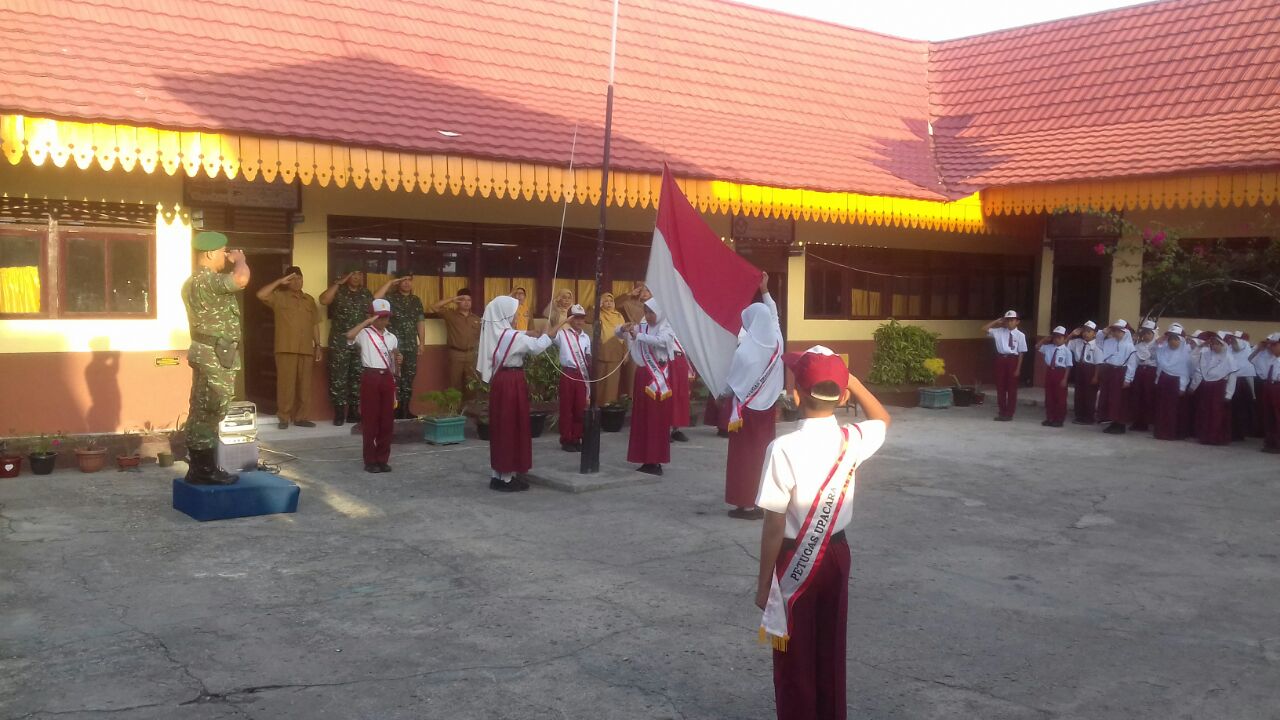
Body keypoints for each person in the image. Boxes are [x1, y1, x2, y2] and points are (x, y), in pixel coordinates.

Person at [754, 346, 890, 720]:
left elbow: (773, 524)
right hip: (837, 554)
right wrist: (853, 381)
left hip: (793, 557)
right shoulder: (853, 438)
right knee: (830, 646)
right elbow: (882, 418)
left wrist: (764, 585)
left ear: (795, 395)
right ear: (843, 396)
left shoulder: (782, 448)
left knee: (794, 656)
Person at [182, 231, 249, 485]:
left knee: (202, 408)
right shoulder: (207, 280)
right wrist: (241, 260)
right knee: (211, 409)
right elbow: (241, 279)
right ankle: (205, 470)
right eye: (223, 252)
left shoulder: (193, 282)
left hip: (208, 352)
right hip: (214, 355)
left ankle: (199, 467)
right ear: (210, 253)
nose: (226, 256)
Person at [477, 295, 557, 492]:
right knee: (511, 425)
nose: (516, 317)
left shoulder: (495, 333)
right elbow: (536, 347)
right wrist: (550, 334)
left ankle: (499, 474)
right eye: (513, 314)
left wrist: (530, 332)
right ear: (505, 315)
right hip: (512, 381)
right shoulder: (512, 337)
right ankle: (506, 477)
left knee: (501, 426)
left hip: (501, 381)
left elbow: (516, 336)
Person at [725, 273, 784, 519]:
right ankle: (761, 499)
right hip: (767, 409)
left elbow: (732, 384)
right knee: (763, 454)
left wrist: (721, 394)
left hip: (746, 412)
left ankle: (746, 503)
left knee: (745, 457)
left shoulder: (745, 351)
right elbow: (774, 317)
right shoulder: (777, 341)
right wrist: (765, 290)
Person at [256, 266, 322, 429]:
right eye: (292, 279)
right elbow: (260, 294)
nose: (297, 281)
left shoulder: (309, 300)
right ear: (287, 281)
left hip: (306, 348)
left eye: (299, 278)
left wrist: (318, 345)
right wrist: (279, 281)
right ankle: (284, 417)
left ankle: (301, 417)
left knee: (305, 386)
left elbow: (314, 324)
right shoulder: (279, 297)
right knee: (286, 385)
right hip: (286, 348)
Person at [617, 297, 675, 476]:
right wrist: (623, 329)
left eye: (652, 312)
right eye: (646, 312)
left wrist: (639, 336)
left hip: (657, 378)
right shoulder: (641, 326)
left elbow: (662, 341)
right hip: (643, 374)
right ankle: (644, 458)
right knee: (642, 417)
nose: (648, 316)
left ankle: (655, 459)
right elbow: (618, 334)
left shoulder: (666, 326)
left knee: (656, 419)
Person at [346, 299, 401, 473]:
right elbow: (349, 336)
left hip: (387, 377)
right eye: (379, 317)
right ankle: (370, 460)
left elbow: (394, 359)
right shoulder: (364, 333)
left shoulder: (392, 337)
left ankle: (382, 459)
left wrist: (399, 360)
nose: (383, 320)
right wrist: (367, 322)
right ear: (372, 316)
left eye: (386, 317)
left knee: (387, 420)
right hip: (371, 376)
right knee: (370, 420)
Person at [320, 270, 373, 425]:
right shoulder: (339, 290)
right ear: (347, 276)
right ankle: (339, 413)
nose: (357, 277)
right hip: (340, 341)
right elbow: (323, 300)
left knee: (357, 376)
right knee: (338, 377)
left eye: (359, 274)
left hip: (360, 342)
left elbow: (372, 311)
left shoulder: (365, 293)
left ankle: (353, 412)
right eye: (353, 274)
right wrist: (338, 283)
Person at [374, 274, 426, 418]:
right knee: (394, 376)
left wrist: (422, 342)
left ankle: (405, 409)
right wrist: (390, 282)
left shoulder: (416, 300)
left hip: (411, 345)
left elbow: (420, 321)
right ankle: (393, 409)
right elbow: (375, 298)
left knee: (409, 376)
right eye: (403, 280)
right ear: (398, 282)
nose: (406, 283)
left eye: (409, 280)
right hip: (394, 345)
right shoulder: (390, 299)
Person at [554, 304, 592, 452]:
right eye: (576, 318)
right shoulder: (563, 334)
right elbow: (549, 334)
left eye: (581, 318)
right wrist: (563, 322)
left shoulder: (585, 337)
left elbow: (588, 356)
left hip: (581, 374)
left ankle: (577, 437)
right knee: (566, 408)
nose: (579, 321)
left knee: (579, 408)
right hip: (568, 373)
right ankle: (566, 439)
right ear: (570, 319)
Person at [1189, 331, 1236, 446]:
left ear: (1223, 345)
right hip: (1208, 387)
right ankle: (1205, 436)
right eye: (1213, 344)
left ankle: (1217, 437)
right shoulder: (1207, 355)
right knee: (1205, 411)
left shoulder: (1229, 358)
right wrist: (1200, 346)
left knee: (1217, 413)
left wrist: (1229, 393)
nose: (1215, 346)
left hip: (1220, 388)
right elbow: (1193, 360)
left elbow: (1232, 377)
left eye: (1217, 344)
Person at [433, 289, 482, 399]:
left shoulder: (476, 319)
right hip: (456, 354)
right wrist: (452, 299)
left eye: (469, 300)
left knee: (472, 385)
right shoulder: (450, 315)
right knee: (454, 385)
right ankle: (455, 408)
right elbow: (434, 307)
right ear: (458, 301)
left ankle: (470, 408)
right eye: (463, 299)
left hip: (472, 355)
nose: (466, 302)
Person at [982, 310, 1027, 421]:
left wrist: (1018, 368)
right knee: (1000, 387)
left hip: (1013, 360)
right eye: (1007, 320)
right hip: (1001, 359)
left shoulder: (1020, 335)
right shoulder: (999, 331)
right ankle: (1002, 411)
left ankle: (1009, 413)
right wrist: (997, 321)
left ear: (1017, 321)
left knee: (1012, 388)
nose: (1009, 322)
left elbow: (1021, 353)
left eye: (1012, 320)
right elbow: (984, 329)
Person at [1096, 320, 1137, 434]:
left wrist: (1128, 379)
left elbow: (1132, 364)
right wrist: (1104, 331)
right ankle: (1112, 421)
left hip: (1120, 373)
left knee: (1119, 400)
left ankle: (1120, 424)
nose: (1116, 333)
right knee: (1108, 397)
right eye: (1114, 331)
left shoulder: (1129, 346)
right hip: (1109, 371)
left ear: (1125, 332)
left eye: (1119, 331)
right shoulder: (1109, 342)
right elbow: (1098, 342)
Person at [1152, 323, 1191, 441]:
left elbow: (1185, 372)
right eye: (1170, 339)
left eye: (1175, 339)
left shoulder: (1185, 354)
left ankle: (1172, 433)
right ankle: (1161, 432)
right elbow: (1153, 355)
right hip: (1164, 381)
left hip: (1176, 383)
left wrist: (1182, 387)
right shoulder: (1163, 350)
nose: (1172, 342)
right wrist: (1157, 342)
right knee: (1162, 408)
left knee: (1173, 410)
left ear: (1181, 341)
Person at [593, 292, 628, 406]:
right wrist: (597, 307)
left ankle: (609, 405)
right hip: (602, 352)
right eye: (606, 301)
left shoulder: (618, 316)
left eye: (611, 301)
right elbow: (588, 317)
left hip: (616, 352)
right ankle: (598, 405)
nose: (609, 303)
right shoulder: (598, 314)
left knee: (612, 383)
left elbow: (624, 335)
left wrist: (625, 352)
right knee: (600, 381)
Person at [1035, 326, 1072, 427]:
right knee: (1049, 396)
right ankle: (1050, 418)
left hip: (1060, 373)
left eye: (1060, 337)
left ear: (1064, 338)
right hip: (1050, 371)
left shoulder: (1066, 351)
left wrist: (1065, 379)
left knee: (1060, 397)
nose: (1057, 339)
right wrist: (1044, 339)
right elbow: (1037, 347)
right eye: (1055, 337)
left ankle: (1059, 419)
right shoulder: (1048, 347)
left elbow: (1068, 366)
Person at [1128, 320, 1159, 433]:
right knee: (1137, 397)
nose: (1146, 336)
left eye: (1149, 333)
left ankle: (1146, 422)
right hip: (1140, 372)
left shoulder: (1158, 346)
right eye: (1144, 333)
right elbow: (1134, 362)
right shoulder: (1138, 346)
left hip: (1151, 372)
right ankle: (1137, 421)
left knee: (1148, 397)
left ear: (1154, 334)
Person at [1067, 321, 1100, 425]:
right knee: (1079, 393)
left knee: (1089, 394)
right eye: (1084, 331)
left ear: (1094, 333)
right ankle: (1079, 415)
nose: (1085, 333)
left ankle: (1089, 417)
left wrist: (1096, 376)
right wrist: (1071, 334)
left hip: (1091, 369)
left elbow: (1098, 363)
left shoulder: (1097, 345)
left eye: (1089, 331)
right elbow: (1064, 344)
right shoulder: (1077, 342)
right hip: (1079, 368)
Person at [1225, 331, 1256, 441]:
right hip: (1231, 380)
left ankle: (1240, 432)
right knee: (1232, 409)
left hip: (1242, 382)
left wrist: (1234, 340)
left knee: (1241, 409)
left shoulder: (1245, 346)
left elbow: (1238, 347)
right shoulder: (1229, 348)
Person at [1253, 333, 1280, 454]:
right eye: (1270, 345)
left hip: (1278, 387)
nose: (1271, 347)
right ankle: (1271, 442)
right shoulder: (1272, 359)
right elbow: (1250, 359)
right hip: (1269, 387)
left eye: (1274, 345)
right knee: (1269, 416)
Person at [668, 334, 695, 442]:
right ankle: (664, 429)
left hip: (682, 358)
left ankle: (676, 429)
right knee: (670, 395)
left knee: (681, 395)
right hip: (668, 358)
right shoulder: (663, 324)